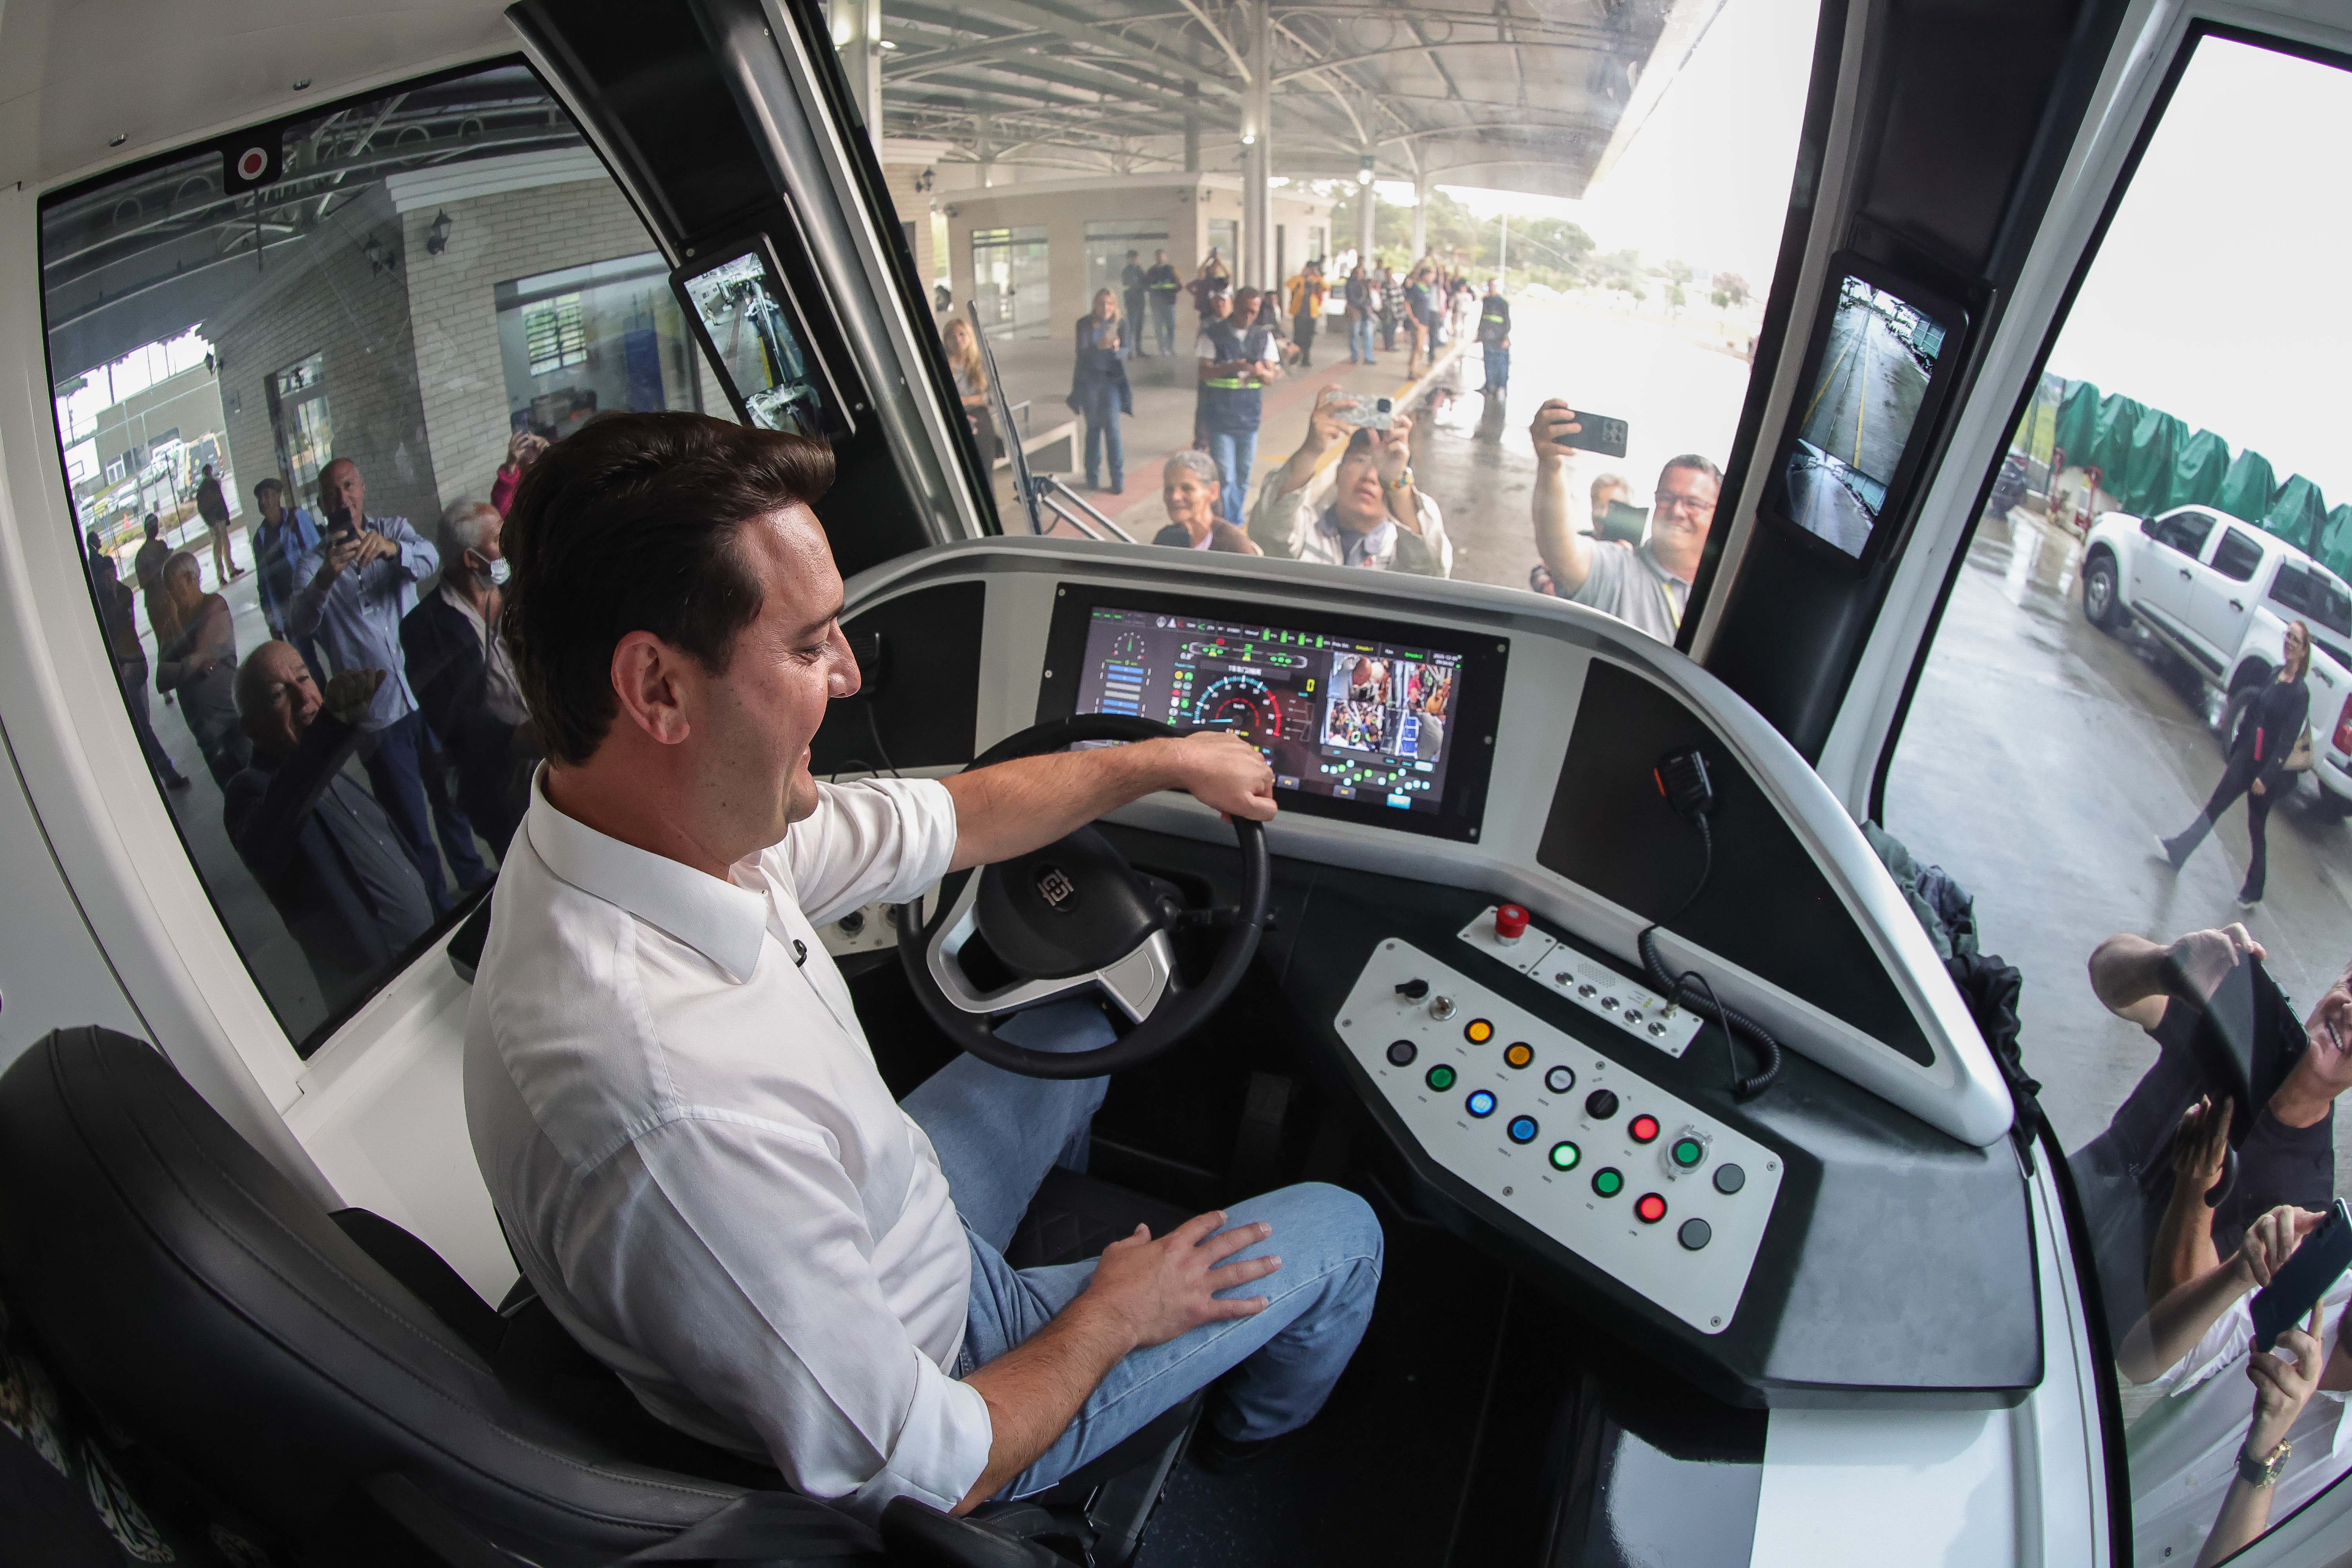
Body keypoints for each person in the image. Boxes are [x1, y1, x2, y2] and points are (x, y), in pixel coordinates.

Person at [466, 410, 1381, 1521]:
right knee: (1346, 1233)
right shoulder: (673, 1103)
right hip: (952, 1373)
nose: (851, 674)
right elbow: (927, 1468)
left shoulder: (638, 831)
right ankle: (1228, 1453)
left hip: (891, 1220)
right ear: (657, 689)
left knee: (1081, 1026)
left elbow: (946, 820)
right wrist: (1116, 1316)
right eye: (809, 646)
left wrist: (1159, 761)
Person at [2072, 925, 2352, 1341]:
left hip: (2089, 1330)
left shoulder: (2304, 1199)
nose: (2350, 1012)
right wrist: (2166, 965)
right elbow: (2105, 972)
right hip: (2054, 1206)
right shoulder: (2246, 1020)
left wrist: (2198, 1183)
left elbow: (2176, 1309)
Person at [292, 456, 490, 911]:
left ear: (362, 488)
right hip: (378, 716)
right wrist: (326, 579)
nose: (343, 498)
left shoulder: (393, 530)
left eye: (349, 486)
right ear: (321, 505)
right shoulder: (311, 564)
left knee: (451, 795)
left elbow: (431, 559)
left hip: (426, 694)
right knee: (410, 822)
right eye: (332, 493)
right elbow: (299, 623)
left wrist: (393, 551)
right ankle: (440, 909)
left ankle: (474, 876)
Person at [2118, 1191, 2352, 1568]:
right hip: (2065, 1501)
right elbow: (2139, 1362)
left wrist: (2264, 1458)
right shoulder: (2330, 1285)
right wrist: (2238, 1274)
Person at [226, 651, 436, 1005]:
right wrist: (329, 730)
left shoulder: (327, 760)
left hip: (427, 950)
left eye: (303, 678)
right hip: (382, 992)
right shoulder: (251, 791)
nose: (303, 697)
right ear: (252, 728)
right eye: (278, 694)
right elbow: (273, 828)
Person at [401, 500, 539, 857]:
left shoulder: (516, 588)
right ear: (471, 559)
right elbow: (455, 721)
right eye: (497, 539)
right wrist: (521, 738)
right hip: (505, 787)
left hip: (559, 758)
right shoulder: (425, 629)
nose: (508, 544)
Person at [1528, 402, 1721, 644]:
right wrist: (1551, 465)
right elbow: (1559, 549)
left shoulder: (1725, 590)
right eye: (1666, 498)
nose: (1677, 511)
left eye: (1693, 503)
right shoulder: (1618, 570)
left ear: (1717, 513)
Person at [2161, 621, 2312, 909]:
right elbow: (2255, 711)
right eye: (2288, 636)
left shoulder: (2300, 694)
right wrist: (2238, 747)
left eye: (2296, 640)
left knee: (2256, 826)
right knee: (2215, 805)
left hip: (2265, 772)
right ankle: (2180, 851)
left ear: (2304, 651)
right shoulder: (2275, 674)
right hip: (2246, 757)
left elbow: (2286, 741)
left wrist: (2266, 777)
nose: (2289, 643)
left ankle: (2255, 888)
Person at [1249, 387, 1450, 576]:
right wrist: (1311, 450)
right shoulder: (1305, 530)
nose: (1370, 476)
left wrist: (1398, 484)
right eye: (1360, 460)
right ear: (1338, 474)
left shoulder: (1398, 550)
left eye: (1383, 471)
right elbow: (1269, 532)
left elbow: (1431, 571)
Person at [85, 532, 187, 788]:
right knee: (142, 726)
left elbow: (120, 621)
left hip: (134, 663)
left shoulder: (118, 595)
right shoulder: (103, 601)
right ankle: (166, 773)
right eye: (104, 576)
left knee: (142, 724)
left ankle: (159, 772)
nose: (110, 579)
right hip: (126, 666)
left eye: (112, 573)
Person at [154, 550, 250, 786]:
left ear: (189, 579)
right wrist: (192, 664)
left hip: (231, 716)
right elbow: (162, 678)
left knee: (256, 777)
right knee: (231, 789)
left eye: (172, 586)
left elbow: (196, 653)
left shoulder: (214, 605)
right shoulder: (170, 624)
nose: (169, 595)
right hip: (204, 729)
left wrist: (186, 659)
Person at [1196, 286, 1282, 525]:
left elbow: (1272, 377)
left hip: (1250, 419)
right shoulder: (1213, 335)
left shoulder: (1264, 337)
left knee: (1243, 476)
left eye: (1254, 312)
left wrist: (1259, 372)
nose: (1248, 316)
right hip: (1220, 418)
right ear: (1234, 305)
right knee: (1225, 475)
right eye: (1244, 310)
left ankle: (1232, 518)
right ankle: (1230, 523)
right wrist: (1232, 367)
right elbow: (1204, 372)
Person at [250, 479, 325, 675]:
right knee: (306, 665)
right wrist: (273, 621)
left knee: (335, 648)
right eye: (259, 498)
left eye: (267, 495)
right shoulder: (260, 538)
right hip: (289, 612)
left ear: (278, 496)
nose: (263, 501)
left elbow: (320, 551)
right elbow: (263, 582)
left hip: (314, 600)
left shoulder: (297, 518)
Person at [1067, 290, 1131, 495]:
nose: (1106, 308)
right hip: (1090, 383)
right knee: (1094, 428)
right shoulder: (1084, 324)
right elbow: (1081, 353)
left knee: (1113, 429)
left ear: (1115, 305)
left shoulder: (1121, 324)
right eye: (1102, 303)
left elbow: (1127, 352)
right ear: (1095, 304)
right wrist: (1099, 347)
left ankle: (1118, 480)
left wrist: (1117, 349)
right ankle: (1092, 477)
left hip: (1111, 382)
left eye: (1110, 304)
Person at [1149, 450, 1260, 554]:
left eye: (1187, 488)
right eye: (1169, 489)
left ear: (1213, 491)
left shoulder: (1234, 546)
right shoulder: (1165, 540)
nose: (1175, 497)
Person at [941, 318, 995, 467]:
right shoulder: (942, 366)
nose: (958, 340)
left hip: (979, 416)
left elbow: (994, 397)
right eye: (952, 337)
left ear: (970, 337)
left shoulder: (982, 364)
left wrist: (967, 401)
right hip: (953, 417)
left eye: (962, 335)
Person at [133, 512, 182, 657]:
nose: (156, 528)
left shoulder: (161, 546)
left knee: (178, 634)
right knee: (164, 641)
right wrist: (159, 566)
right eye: (153, 526)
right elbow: (143, 582)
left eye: (156, 525)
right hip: (155, 601)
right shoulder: (142, 556)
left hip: (168, 597)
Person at [195, 463, 240, 581]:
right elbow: (220, 501)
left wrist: (210, 521)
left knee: (219, 546)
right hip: (218, 519)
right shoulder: (212, 484)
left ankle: (223, 574)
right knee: (222, 545)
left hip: (214, 520)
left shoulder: (204, 487)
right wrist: (224, 517)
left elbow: (203, 507)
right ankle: (228, 571)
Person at [491, 428, 550, 518]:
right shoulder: (514, 483)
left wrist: (549, 454)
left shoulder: (550, 474)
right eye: (524, 445)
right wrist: (511, 465)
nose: (530, 452)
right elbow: (501, 513)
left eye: (533, 446)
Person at [1286, 261, 1327, 370]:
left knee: (1309, 338)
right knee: (1298, 338)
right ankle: (1294, 359)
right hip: (1299, 313)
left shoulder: (1316, 281)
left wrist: (1318, 276)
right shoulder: (1299, 280)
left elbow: (1327, 288)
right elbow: (1289, 285)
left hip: (1311, 314)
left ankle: (1306, 360)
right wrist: (1302, 276)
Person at [1143, 249, 1183, 356]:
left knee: (1170, 327)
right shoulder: (1151, 271)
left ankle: (1171, 348)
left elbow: (1180, 285)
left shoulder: (1173, 270)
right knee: (1158, 327)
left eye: (1162, 256)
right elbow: (1146, 285)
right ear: (1155, 258)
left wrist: (1170, 291)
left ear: (1166, 257)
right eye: (1158, 256)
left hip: (1169, 303)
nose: (1160, 258)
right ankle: (1161, 349)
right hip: (1156, 304)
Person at [1477, 278, 1512, 394]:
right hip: (1488, 337)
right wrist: (1479, 334)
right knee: (1488, 363)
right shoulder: (1487, 301)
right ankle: (1489, 386)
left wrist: (1505, 337)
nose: (1491, 288)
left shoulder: (1503, 303)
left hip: (1498, 337)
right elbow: (1483, 317)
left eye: (1493, 286)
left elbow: (1507, 322)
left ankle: (1500, 387)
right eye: (1490, 285)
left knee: (1500, 363)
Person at [1343, 264, 1376, 366]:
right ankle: (1355, 356)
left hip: (1365, 312)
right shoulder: (1351, 284)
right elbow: (1352, 299)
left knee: (1368, 335)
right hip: (1355, 311)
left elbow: (1369, 297)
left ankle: (1368, 357)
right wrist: (1365, 307)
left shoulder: (1364, 283)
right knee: (1355, 334)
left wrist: (1369, 306)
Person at [1119, 250, 1148, 358]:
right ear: (1129, 259)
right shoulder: (1126, 272)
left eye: (1136, 258)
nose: (1135, 260)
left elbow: (1145, 284)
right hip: (1131, 303)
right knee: (1131, 328)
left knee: (1139, 327)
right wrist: (1139, 287)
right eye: (1133, 258)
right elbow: (1129, 286)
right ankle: (1129, 351)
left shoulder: (1140, 271)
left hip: (1140, 302)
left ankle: (1139, 350)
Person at [1376, 265, 1404, 354]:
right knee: (1389, 328)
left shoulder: (1395, 283)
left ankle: (1391, 344)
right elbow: (1383, 297)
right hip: (1389, 311)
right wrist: (1388, 307)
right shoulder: (1385, 285)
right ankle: (1389, 345)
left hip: (1398, 309)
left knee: (1393, 328)